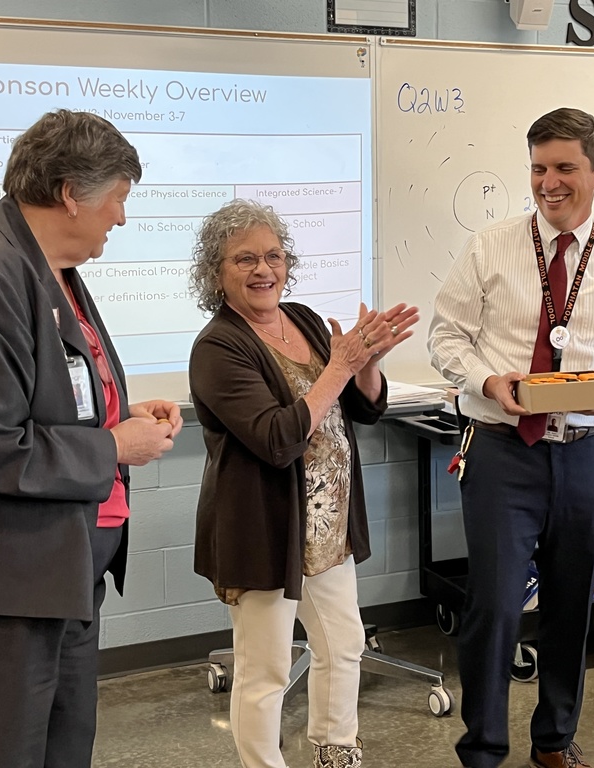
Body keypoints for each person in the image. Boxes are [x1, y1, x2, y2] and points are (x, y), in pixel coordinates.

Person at [0, 109, 183, 768]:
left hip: (52, 579)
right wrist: (114, 448)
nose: (121, 218)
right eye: (117, 198)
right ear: (71, 193)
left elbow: (40, 395)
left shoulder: (49, 267)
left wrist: (117, 413)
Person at [428, 107, 594, 768]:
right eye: (538, 168)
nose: (549, 182)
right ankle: (483, 750)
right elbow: (446, 337)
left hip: (589, 452)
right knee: (495, 607)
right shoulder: (491, 247)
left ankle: (554, 741)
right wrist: (488, 380)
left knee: (573, 606)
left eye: (565, 168)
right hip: (503, 449)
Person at [187, 198, 418, 768]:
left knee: (344, 643)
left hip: (328, 528)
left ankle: (336, 752)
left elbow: (363, 410)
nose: (263, 269)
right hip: (264, 533)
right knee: (265, 670)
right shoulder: (217, 347)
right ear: (215, 273)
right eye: (244, 259)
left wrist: (367, 362)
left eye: (273, 256)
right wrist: (339, 367)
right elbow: (276, 439)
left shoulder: (306, 320)